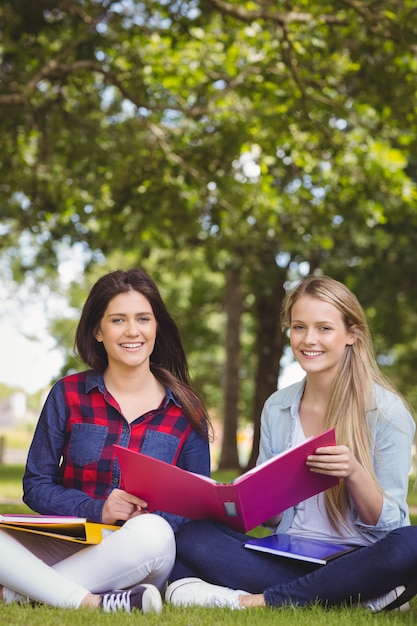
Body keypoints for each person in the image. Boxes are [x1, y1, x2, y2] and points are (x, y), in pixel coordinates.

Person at [165, 274, 417, 612]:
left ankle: (260, 600)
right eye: (299, 327)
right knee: (193, 536)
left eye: (324, 328)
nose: (308, 339)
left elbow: (393, 524)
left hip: (359, 558)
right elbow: (272, 519)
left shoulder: (386, 412)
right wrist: (243, 502)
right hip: (288, 556)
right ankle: (354, 598)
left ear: (352, 334)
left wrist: (355, 474)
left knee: (411, 544)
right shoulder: (278, 407)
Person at [0, 268, 212, 613]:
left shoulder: (187, 409)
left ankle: (20, 591)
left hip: (141, 548)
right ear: (98, 330)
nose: (133, 331)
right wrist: (98, 509)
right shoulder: (67, 394)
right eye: (118, 320)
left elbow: (197, 501)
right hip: (72, 540)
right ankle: (93, 603)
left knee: (153, 532)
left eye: (143, 318)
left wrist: (138, 519)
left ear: (156, 326)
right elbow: (36, 485)